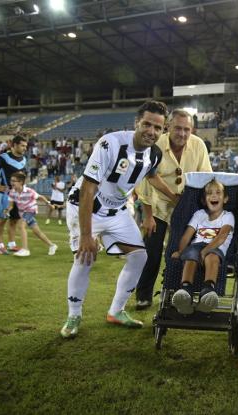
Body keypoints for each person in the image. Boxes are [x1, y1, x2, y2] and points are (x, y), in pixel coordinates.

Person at [60, 101, 178, 339]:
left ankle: (116, 311)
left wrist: (176, 198)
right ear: (137, 123)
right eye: (147, 124)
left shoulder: (154, 153)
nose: (151, 132)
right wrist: (86, 235)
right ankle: (74, 315)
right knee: (85, 257)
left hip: (117, 211)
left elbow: (152, 177)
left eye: (158, 128)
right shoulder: (110, 143)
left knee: (139, 256)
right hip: (86, 206)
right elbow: (87, 190)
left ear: (163, 130)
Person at [134, 109, 212, 310]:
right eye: (178, 128)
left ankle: (174, 294)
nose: (182, 134)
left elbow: (206, 177)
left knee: (180, 253)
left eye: (187, 129)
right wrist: (148, 216)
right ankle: (143, 295)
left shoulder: (198, 145)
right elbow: (145, 183)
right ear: (168, 127)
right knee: (151, 252)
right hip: (157, 207)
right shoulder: (156, 144)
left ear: (192, 129)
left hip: (186, 209)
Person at [170, 179, 234, 314]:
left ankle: (208, 291)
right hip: (197, 245)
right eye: (209, 193)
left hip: (215, 247)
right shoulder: (199, 214)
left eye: (218, 192)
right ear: (204, 200)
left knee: (212, 256)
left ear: (226, 199)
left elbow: (222, 237)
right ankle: (185, 291)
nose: (214, 196)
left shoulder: (228, 216)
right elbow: (187, 236)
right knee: (190, 255)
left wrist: (205, 251)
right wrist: (181, 251)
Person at [0, 135, 28, 255]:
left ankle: (12, 245)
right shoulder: (4, 157)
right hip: (5, 195)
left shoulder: (24, 159)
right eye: (22, 146)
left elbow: (23, 177)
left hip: (17, 195)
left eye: (26, 146)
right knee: (1, 221)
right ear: (14, 145)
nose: (24, 148)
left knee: (14, 220)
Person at [5, 172, 58, 257]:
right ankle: (52, 245)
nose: (11, 182)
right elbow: (11, 206)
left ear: (21, 182)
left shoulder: (29, 191)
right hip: (23, 213)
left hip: (31, 210)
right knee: (37, 232)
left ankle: (25, 249)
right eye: (11, 180)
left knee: (21, 225)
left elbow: (40, 197)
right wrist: (7, 210)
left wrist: (49, 204)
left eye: (14, 181)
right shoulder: (12, 192)